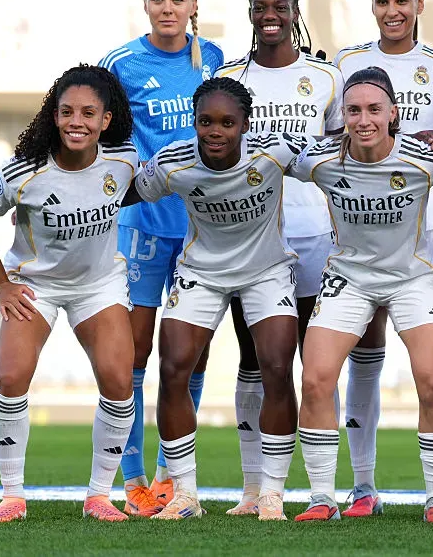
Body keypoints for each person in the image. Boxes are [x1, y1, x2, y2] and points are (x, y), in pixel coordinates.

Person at [288, 67, 433, 523]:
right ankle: (323, 496)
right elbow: (266, 159)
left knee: (432, 379)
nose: (364, 119)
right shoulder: (320, 159)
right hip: (349, 278)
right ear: (341, 115)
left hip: (412, 278)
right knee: (315, 378)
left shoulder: (425, 159)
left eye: (374, 110)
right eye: (353, 110)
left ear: (394, 114)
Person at [131, 77, 311, 520]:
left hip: (266, 272)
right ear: (194, 122)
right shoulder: (173, 162)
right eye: (205, 122)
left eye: (227, 123)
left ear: (245, 125)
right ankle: (185, 495)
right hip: (202, 273)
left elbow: (332, 156)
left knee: (276, 367)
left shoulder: (275, 150)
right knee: (173, 368)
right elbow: (128, 189)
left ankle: (270, 495)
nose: (215, 131)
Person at [0, 64, 139, 523]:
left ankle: (99, 496)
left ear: (106, 120)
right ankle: (12, 496)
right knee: (11, 376)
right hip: (34, 285)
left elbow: (139, 193)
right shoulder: (25, 171)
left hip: (98, 285)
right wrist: (0, 283)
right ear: (54, 115)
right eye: (66, 112)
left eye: (88, 112)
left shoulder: (123, 162)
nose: (75, 121)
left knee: (119, 381)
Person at [214, 0, 344, 515]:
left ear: (295, 11)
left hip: (315, 234)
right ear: (250, 13)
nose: (270, 16)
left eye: (280, 6)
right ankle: (254, 490)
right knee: (255, 361)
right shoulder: (230, 76)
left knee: (315, 363)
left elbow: (342, 153)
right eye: (260, 7)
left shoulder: (326, 77)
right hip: (252, 239)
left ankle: (320, 491)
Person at [98, 0, 225, 516]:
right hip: (143, 227)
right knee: (134, 351)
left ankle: (176, 476)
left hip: (203, 229)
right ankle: (131, 475)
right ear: (145, 4)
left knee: (190, 355)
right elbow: (98, 136)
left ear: (195, 6)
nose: (168, 8)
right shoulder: (120, 64)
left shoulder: (215, 59)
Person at [332, 0, 433, 517]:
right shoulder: (345, 66)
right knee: (364, 351)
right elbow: (325, 141)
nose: (392, 11)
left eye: (402, 0)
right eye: (382, 1)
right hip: (363, 229)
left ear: (420, 4)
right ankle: (363, 486)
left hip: (425, 228)